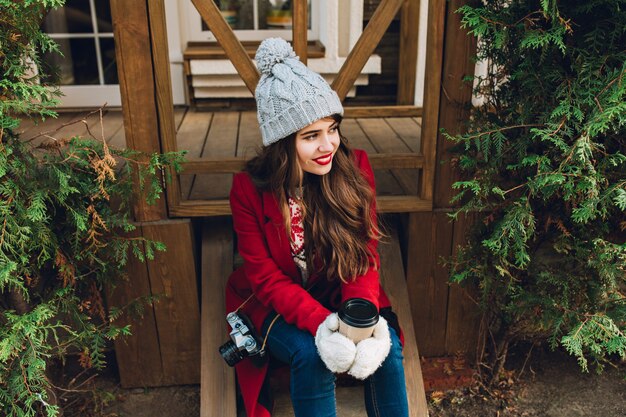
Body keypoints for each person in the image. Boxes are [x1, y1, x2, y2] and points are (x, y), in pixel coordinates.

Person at [225, 38, 409, 417]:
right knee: (311, 353)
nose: (328, 145)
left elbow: (363, 255)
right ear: (282, 142)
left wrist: (360, 318)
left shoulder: (353, 167)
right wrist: (323, 325)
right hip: (273, 305)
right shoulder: (247, 189)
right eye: (311, 136)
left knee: (386, 351)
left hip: (340, 292)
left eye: (332, 128)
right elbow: (264, 279)